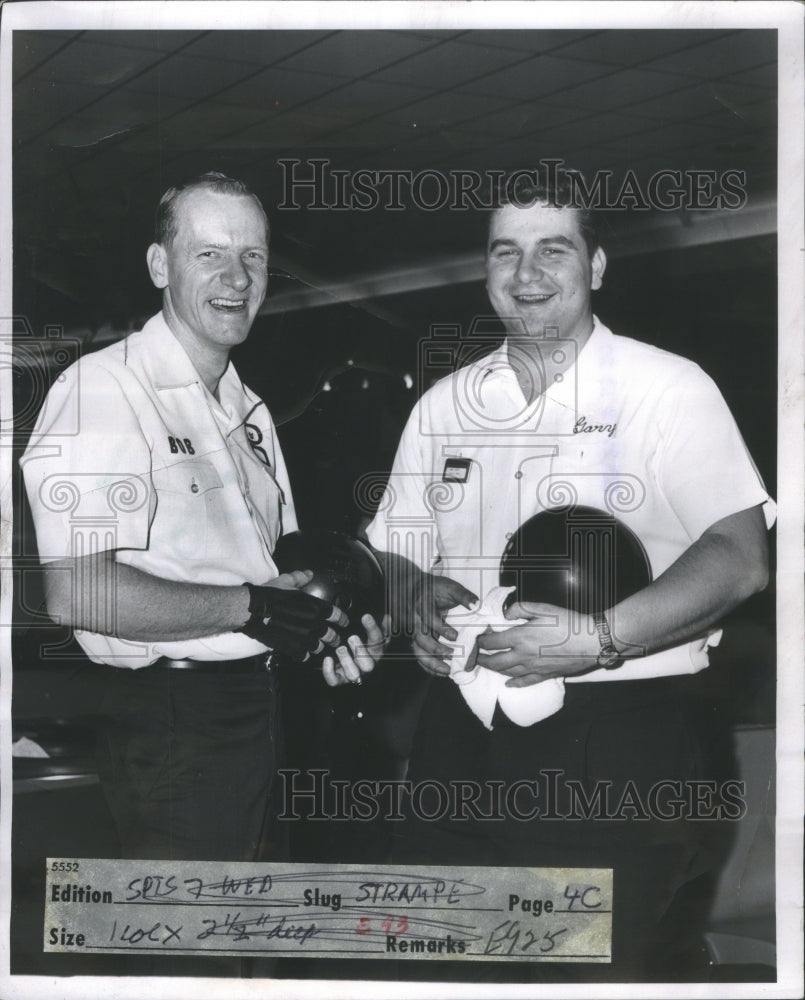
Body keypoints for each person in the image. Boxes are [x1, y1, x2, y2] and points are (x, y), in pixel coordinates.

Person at [364, 169, 774, 981]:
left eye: (553, 248)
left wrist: (598, 639)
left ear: (596, 265)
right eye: (504, 252)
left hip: (614, 739)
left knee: (584, 977)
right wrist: (413, 593)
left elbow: (738, 558)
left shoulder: (667, 389)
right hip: (456, 738)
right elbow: (392, 547)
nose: (526, 273)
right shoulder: (444, 405)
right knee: (452, 966)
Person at [21, 172, 384, 864]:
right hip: (172, 723)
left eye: (253, 255)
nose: (237, 277)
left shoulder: (249, 411)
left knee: (256, 951)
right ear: (161, 265)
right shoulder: (106, 387)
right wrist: (251, 609)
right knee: (194, 948)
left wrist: (325, 629)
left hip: (266, 707)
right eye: (209, 253)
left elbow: (272, 578)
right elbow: (77, 592)